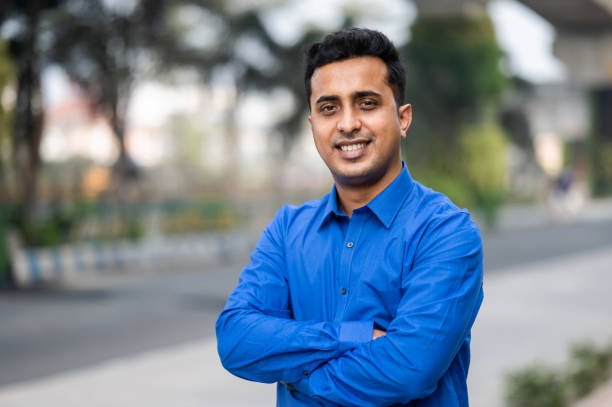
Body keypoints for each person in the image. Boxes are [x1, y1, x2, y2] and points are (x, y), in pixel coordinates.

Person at [216, 27, 484, 406]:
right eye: (329, 108)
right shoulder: (288, 230)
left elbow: (409, 369)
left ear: (403, 118)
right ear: (313, 125)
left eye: (367, 103)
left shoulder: (445, 232)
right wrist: (355, 336)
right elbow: (236, 340)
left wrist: (300, 380)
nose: (347, 124)